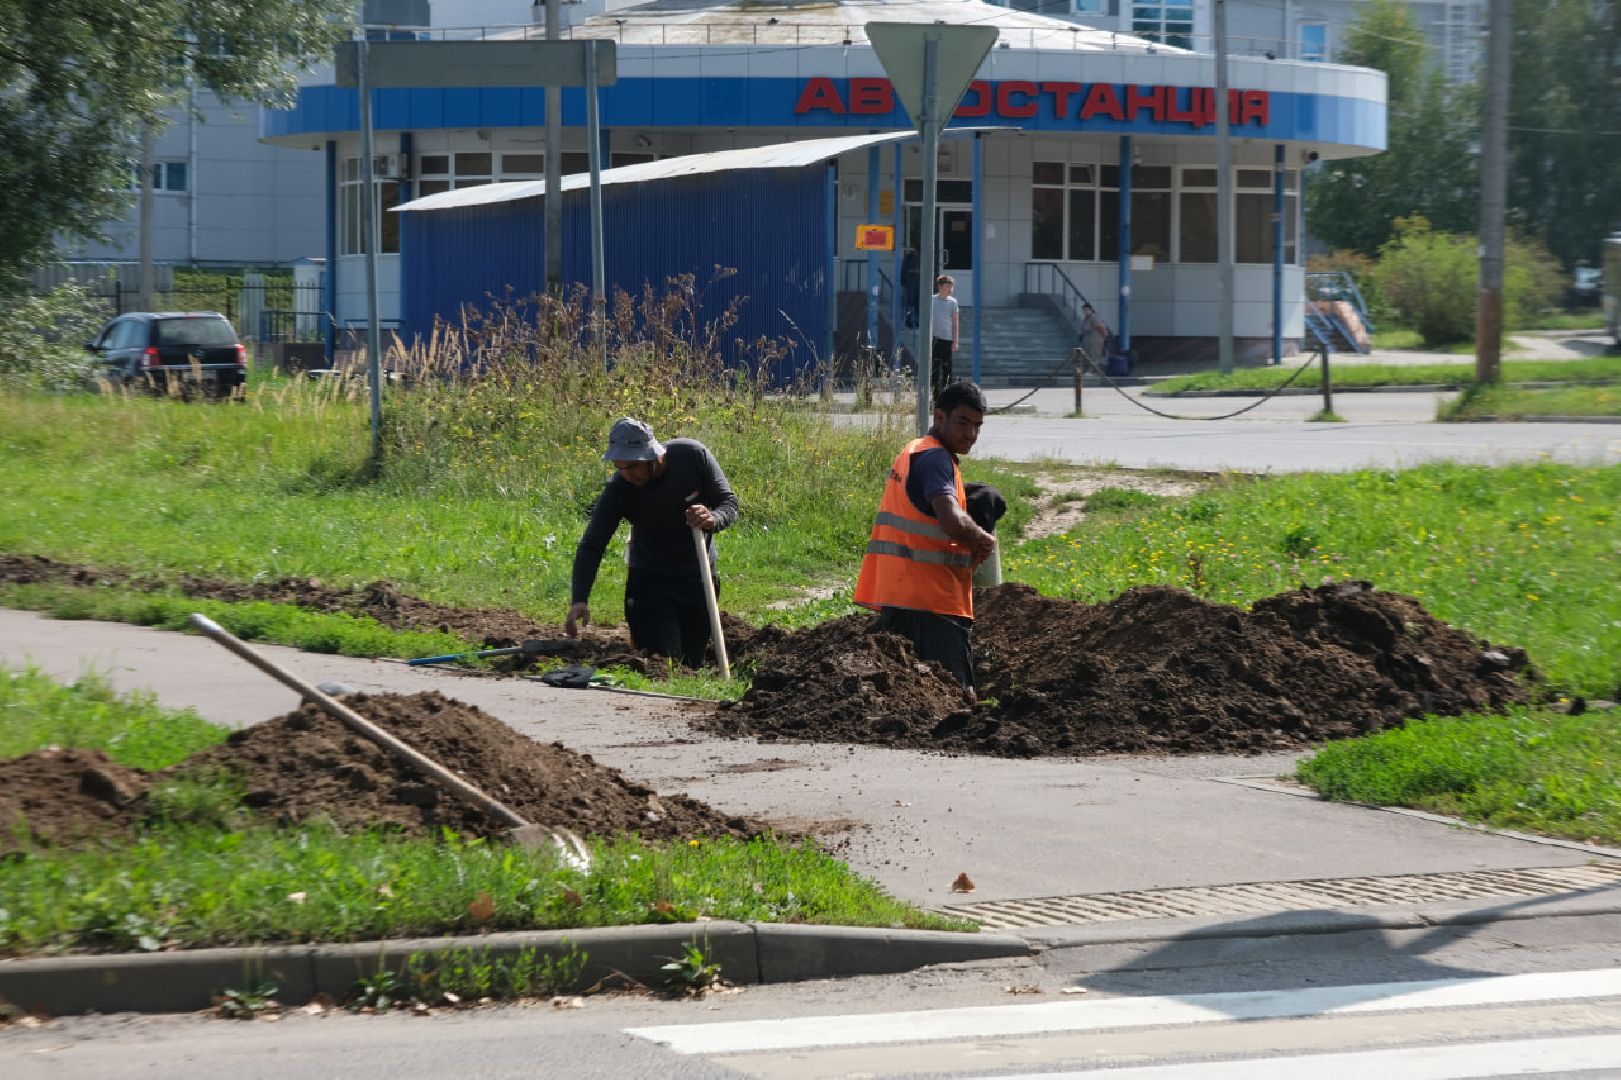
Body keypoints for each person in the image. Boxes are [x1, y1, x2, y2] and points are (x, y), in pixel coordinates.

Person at [853, 381, 996, 690]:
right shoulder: (935, 459)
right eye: (963, 422)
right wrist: (982, 538)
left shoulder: (914, 451)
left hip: (902, 600)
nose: (971, 434)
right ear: (939, 417)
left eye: (978, 426)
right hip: (932, 608)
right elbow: (951, 519)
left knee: (909, 697)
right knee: (955, 697)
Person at [566, 417, 739, 669]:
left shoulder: (692, 456)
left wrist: (713, 518)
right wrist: (579, 598)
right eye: (619, 467)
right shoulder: (618, 489)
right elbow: (593, 543)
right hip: (650, 583)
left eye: (633, 466)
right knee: (664, 662)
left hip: (699, 576)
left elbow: (729, 503)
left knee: (692, 664)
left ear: (654, 456)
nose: (626, 475)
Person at [929, 274, 960, 400]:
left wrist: (955, 341)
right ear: (940, 287)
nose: (950, 289)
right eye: (948, 286)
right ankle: (935, 396)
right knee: (935, 368)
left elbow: (955, 323)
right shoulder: (931, 300)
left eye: (952, 286)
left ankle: (948, 396)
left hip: (947, 339)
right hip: (934, 338)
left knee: (947, 368)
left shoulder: (953, 302)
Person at [1079, 303, 1109, 370]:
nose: (1084, 311)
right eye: (1083, 310)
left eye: (1086, 310)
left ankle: (1093, 371)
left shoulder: (1094, 317)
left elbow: (1101, 327)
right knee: (1088, 356)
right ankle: (1089, 370)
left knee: (1094, 356)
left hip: (1095, 341)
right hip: (1088, 342)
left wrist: (1105, 337)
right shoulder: (1086, 318)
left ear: (1090, 310)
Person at [901, 246, 921, 328]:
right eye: (917, 252)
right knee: (910, 302)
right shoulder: (909, 258)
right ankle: (909, 321)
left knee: (918, 302)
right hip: (910, 281)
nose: (918, 254)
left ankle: (917, 321)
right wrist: (903, 282)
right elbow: (904, 270)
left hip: (919, 281)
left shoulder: (922, 257)